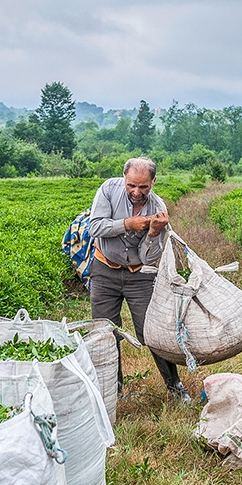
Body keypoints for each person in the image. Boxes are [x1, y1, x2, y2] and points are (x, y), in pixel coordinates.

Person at [88, 157, 191, 404]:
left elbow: (148, 257)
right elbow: (95, 227)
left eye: (143, 187)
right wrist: (128, 224)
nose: (136, 192)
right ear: (125, 179)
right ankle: (113, 389)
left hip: (139, 276)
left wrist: (154, 233)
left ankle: (175, 387)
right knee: (105, 332)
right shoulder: (108, 190)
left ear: (153, 182)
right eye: (132, 185)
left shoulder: (158, 208)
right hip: (104, 270)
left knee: (153, 332)